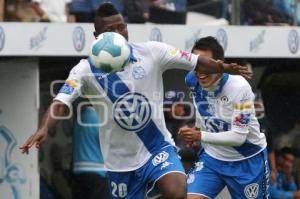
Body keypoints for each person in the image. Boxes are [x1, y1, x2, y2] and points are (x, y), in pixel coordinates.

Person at [20, 3, 251, 199]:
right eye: (111, 30)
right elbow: (61, 101)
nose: (119, 33)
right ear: (97, 37)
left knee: (177, 191)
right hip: (119, 163)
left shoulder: (151, 52)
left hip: (157, 148)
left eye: (122, 27)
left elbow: (194, 60)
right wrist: (44, 128)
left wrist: (222, 66)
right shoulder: (84, 69)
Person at [179, 36, 269, 199]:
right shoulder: (191, 79)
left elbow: (238, 137)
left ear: (218, 64)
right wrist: (198, 128)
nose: (200, 72)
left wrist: (200, 135)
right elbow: (200, 108)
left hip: (247, 160)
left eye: (206, 65)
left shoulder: (239, 87)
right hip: (212, 158)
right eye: (196, 64)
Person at [72, 103, 109, 199]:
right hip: (96, 172)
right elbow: (107, 145)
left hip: (78, 171)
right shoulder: (98, 119)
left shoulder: (79, 119)